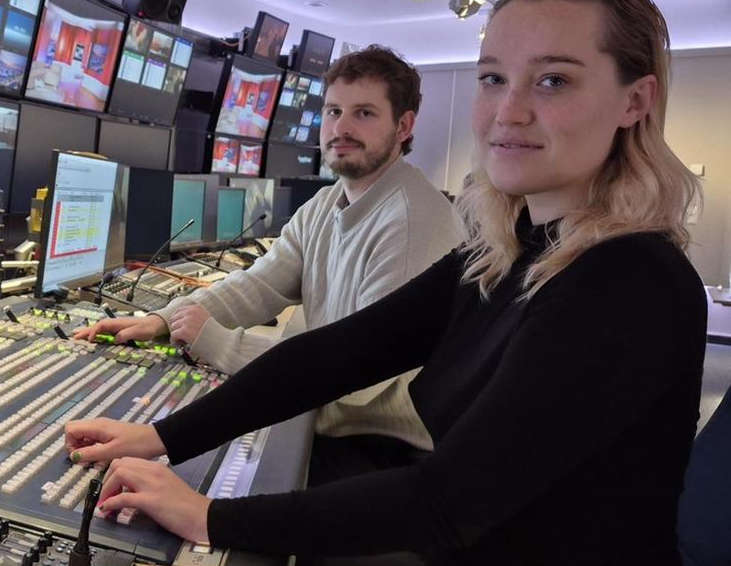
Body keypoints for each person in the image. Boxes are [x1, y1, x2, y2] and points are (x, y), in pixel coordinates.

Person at [66, 0, 705, 566]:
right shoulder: (509, 250)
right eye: (493, 78)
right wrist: (164, 436)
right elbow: (336, 354)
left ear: (636, 100)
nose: (508, 111)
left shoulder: (630, 282)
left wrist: (208, 517)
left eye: (553, 80)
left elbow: (446, 500)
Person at [77, 45, 464, 482]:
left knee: (186, 488)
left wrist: (223, 345)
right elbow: (259, 285)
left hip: (378, 451)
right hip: (322, 419)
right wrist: (161, 321)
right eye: (334, 111)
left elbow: (362, 375)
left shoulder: (412, 221)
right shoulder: (326, 203)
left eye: (364, 114)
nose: (341, 128)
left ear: (403, 126)